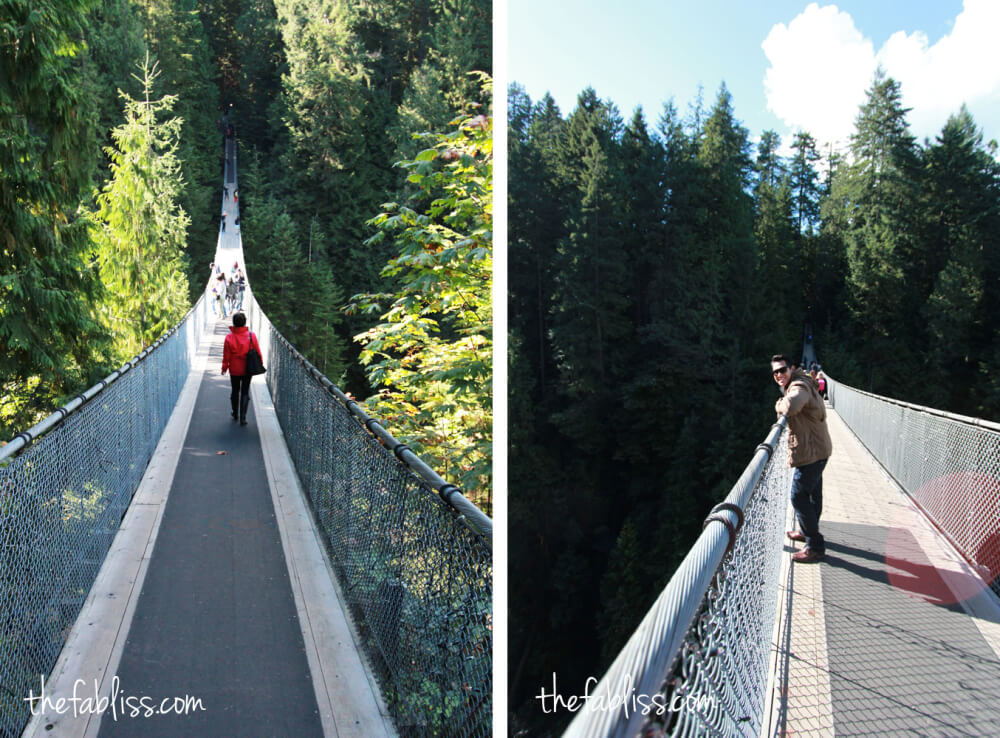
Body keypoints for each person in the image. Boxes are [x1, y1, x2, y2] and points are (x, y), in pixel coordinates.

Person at [771, 354, 833, 563]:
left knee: (798, 496)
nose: (779, 375)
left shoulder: (799, 385)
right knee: (814, 494)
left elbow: (791, 406)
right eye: (775, 372)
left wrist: (779, 404)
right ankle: (809, 533)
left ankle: (815, 546)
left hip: (811, 452)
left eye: (782, 370)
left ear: (792, 368)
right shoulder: (805, 380)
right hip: (818, 449)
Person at [222, 312, 260, 426]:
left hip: (234, 368)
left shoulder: (229, 337)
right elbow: (257, 351)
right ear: (245, 322)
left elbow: (226, 355)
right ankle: (243, 417)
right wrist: (260, 363)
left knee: (235, 390)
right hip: (247, 368)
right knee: (245, 391)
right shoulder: (251, 335)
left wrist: (224, 367)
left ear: (234, 323)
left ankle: (235, 412)